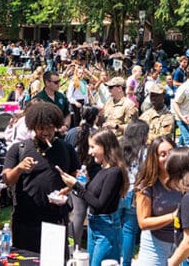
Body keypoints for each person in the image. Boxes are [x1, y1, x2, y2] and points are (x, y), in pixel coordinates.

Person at [2, 101, 78, 253]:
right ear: (33, 126)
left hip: (55, 219)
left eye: (50, 127)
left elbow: (74, 176)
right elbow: (7, 179)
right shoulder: (19, 149)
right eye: (41, 127)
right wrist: (19, 168)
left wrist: (67, 190)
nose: (46, 132)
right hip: (26, 220)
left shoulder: (66, 149)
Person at [57, 129, 129, 266]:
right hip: (95, 226)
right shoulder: (103, 169)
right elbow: (90, 194)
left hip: (106, 229)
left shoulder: (114, 173)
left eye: (93, 147)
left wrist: (77, 185)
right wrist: (72, 186)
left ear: (105, 147)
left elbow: (99, 204)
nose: (90, 152)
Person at [134, 136, 181, 266]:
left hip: (181, 243)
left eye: (171, 152)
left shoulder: (184, 179)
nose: (168, 157)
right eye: (162, 154)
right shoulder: (147, 185)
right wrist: (173, 216)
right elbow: (143, 222)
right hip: (155, 245)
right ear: (154, 158)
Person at [64, 105, 100, 247]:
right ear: (96, 118)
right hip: (94, 177)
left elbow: (66, 152)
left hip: (76, 176)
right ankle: (91, 244)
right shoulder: (97, 133)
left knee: (78, 213)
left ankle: (74, 245)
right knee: (91, 213)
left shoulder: (72, 132)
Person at [119, 119, 149, 266]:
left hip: (119, 191)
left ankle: (113, 257)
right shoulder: (146, 151)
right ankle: (126, 262)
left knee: (114, 227)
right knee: (129, 230)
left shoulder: (119, 147)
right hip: (135, 193)